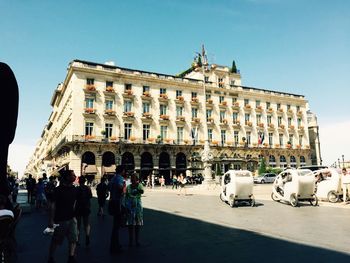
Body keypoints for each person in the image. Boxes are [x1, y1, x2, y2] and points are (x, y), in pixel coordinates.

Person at [47, 169, 78, 263]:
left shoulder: (74, 189)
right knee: (56, 241)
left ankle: (71, 257)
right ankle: (51, 257)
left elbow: (74, 203)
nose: (75, 176)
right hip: (60, 220)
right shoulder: (58, 190)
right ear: (67, 177)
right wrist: (51, 220)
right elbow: (52, 206)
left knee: (73, 239)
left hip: (71, 218)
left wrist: (75, 216)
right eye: (73, 175)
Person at [109, 165, 126, 254]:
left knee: (115, 226)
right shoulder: (120, 178)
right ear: (122, 171)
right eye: (124, 171)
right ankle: (114, 247)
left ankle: (115, 244)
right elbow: (121, 189)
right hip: (118, 203)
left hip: (113, 202)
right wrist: (124, 187)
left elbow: (109, 188)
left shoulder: (113, 178)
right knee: (116, 226)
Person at [124, 174, 144, 247]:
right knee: (130, 224)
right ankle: (131, 241)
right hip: (130, 206)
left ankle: (137, 240)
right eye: (132, 178)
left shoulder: (139, 185)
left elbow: (142, 191)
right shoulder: (128, 187)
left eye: (134, 178)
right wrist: (126, 206)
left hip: (138, 206)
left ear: (137, 179)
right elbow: (126, 196)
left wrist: (137, 187)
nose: (132, 180)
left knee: (137, 224)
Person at [75, 176, 92, 246]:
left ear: (79, 181)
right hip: (86, 207)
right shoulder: (88, 188)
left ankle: (78, 239)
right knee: (86, 223)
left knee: (78, 224)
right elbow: (90, 196)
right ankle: (87, 235)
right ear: (85, 181)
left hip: (78, 207)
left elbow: (75, 198)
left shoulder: (77, 189)